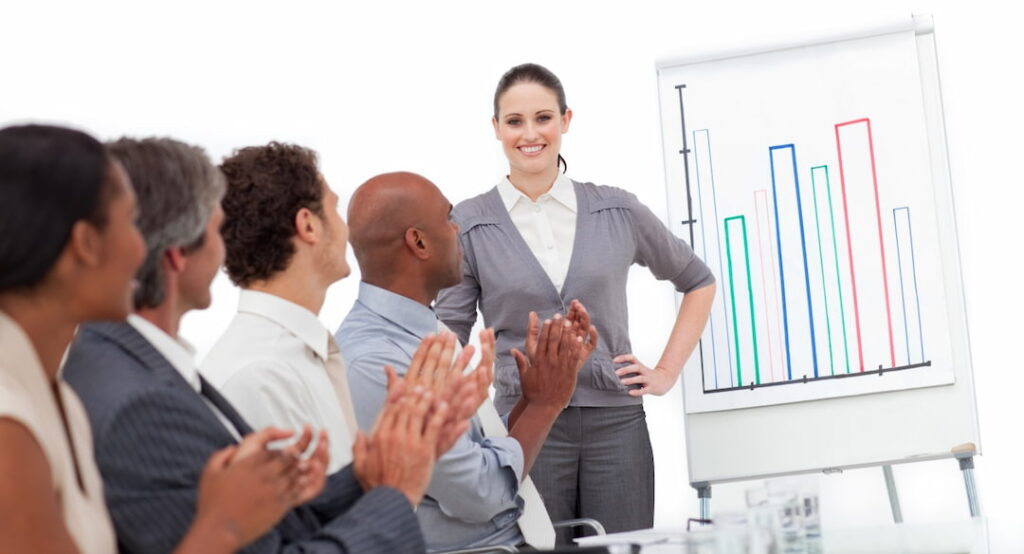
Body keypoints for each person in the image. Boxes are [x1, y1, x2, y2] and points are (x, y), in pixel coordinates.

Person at [62, 137, 460, 553]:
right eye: (216, 228)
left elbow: (266, 527)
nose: (226, 246)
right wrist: (396, 493)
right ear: (180, 252)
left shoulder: (140, 364)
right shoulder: (146, 400)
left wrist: (375, 466)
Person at [0, 124, 322, 553]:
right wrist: (221, 525)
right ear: (85, 244)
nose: (143, 249)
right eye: (130, 225)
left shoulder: (52, 392)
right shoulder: (11, 423)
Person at [435, 63, 718, 543]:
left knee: (624, 546)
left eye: (543, 118)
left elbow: (698, 280)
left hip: (617, 424)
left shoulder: (617, 209)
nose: (530, 134)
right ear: (496, 129)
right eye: (515, 121)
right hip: (525, 427)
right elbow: (447, 334)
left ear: (566, 120)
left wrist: (667, 372)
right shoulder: (468, 223)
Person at [337, 171, 598, 552]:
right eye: (448, 218)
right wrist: (545, 405)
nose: (459, 230)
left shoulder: (421, 329)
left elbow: (471, 453)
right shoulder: (377, 362)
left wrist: (537, 391)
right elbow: (483, 492)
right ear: (419, 242)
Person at [202, 142, 361, 473]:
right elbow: (317, 522)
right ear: (308, 225)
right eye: (334, 208)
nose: (346, 228)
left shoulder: (293, 355)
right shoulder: (261, 375)